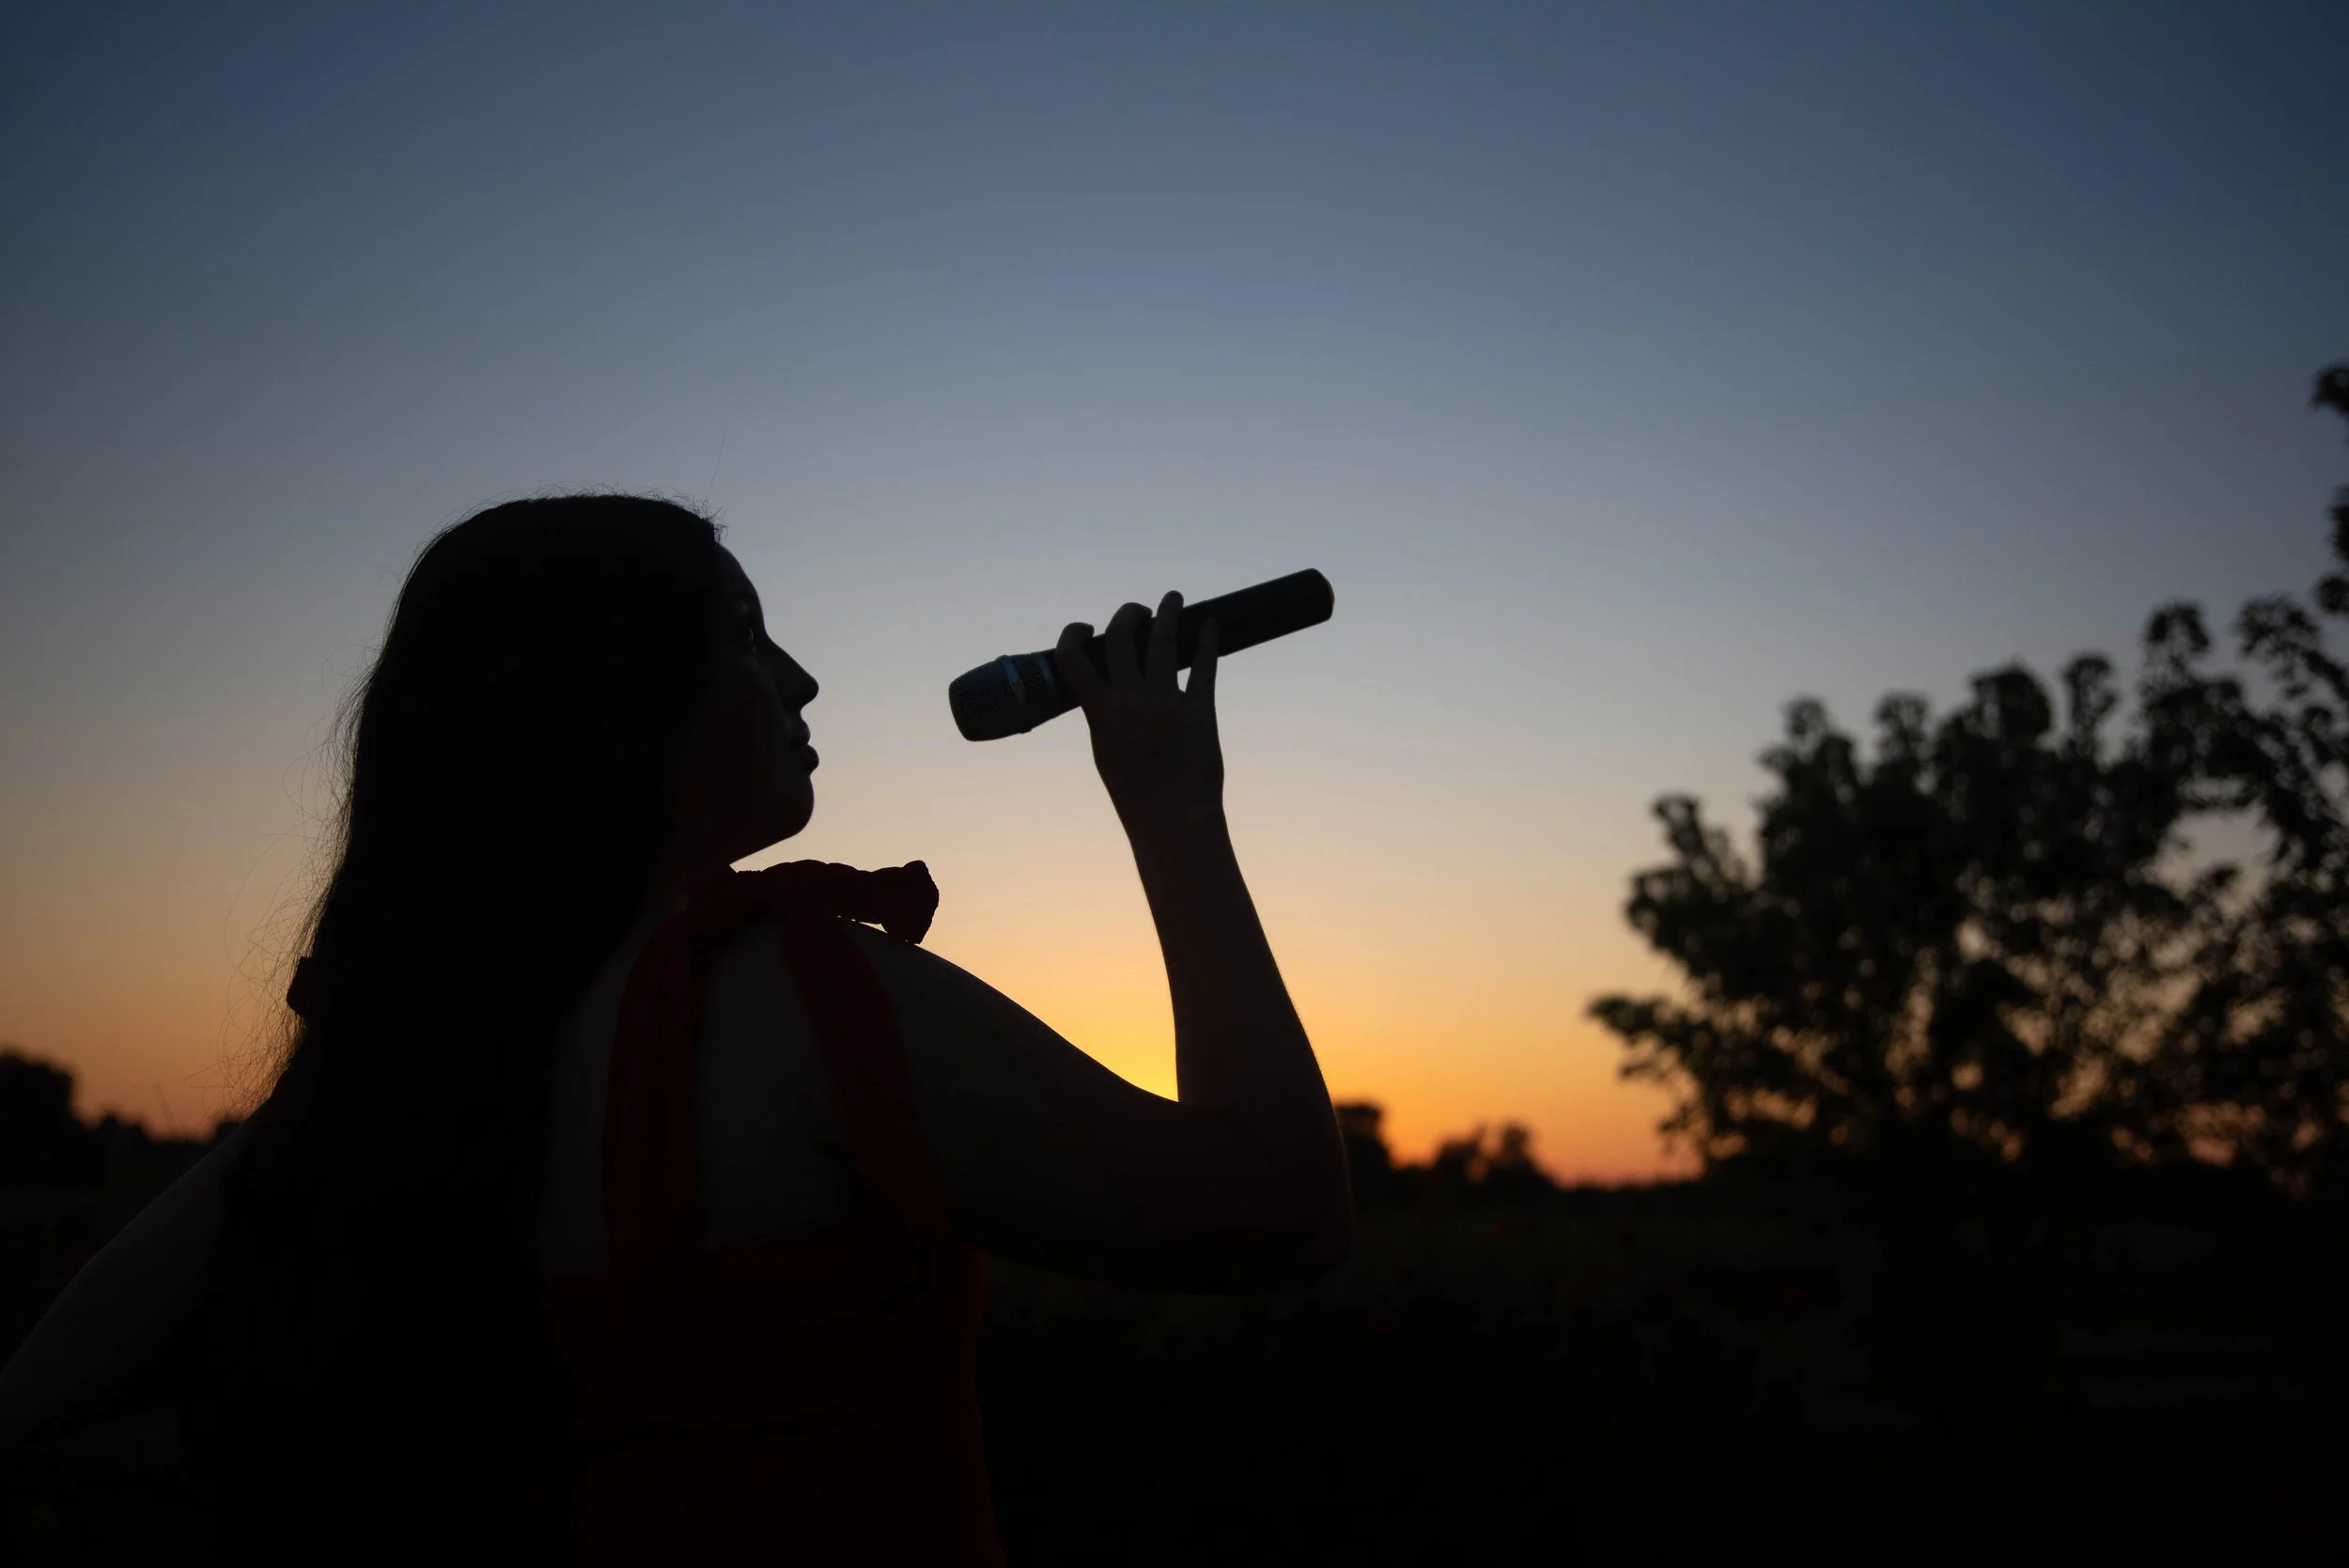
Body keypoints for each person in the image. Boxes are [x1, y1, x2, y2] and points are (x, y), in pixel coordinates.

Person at [0, 495, 1353, 1562]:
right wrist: (1173, 811)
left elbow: (43, 1420)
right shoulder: (789, 998)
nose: (803, 679)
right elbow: (1277, 1211)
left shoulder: (391, 1075)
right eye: (745, 636)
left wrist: (432, 1465)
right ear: (615, 701)